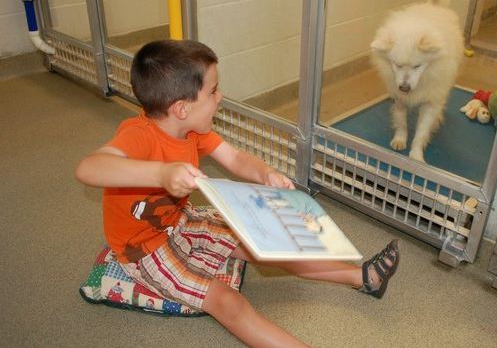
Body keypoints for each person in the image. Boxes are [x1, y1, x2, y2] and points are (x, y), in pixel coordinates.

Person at [75, 39, 400, 347]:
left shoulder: (190, 130)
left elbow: (234, 158)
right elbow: (89, 168)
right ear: (182, 108)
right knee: (228, 303)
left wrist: (266, 174)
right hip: (144, 250)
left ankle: (364, 277)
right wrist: (161, 173)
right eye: (213, 91)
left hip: (180, 221)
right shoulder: (138, 135)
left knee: (270, 242)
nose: (220, 97)